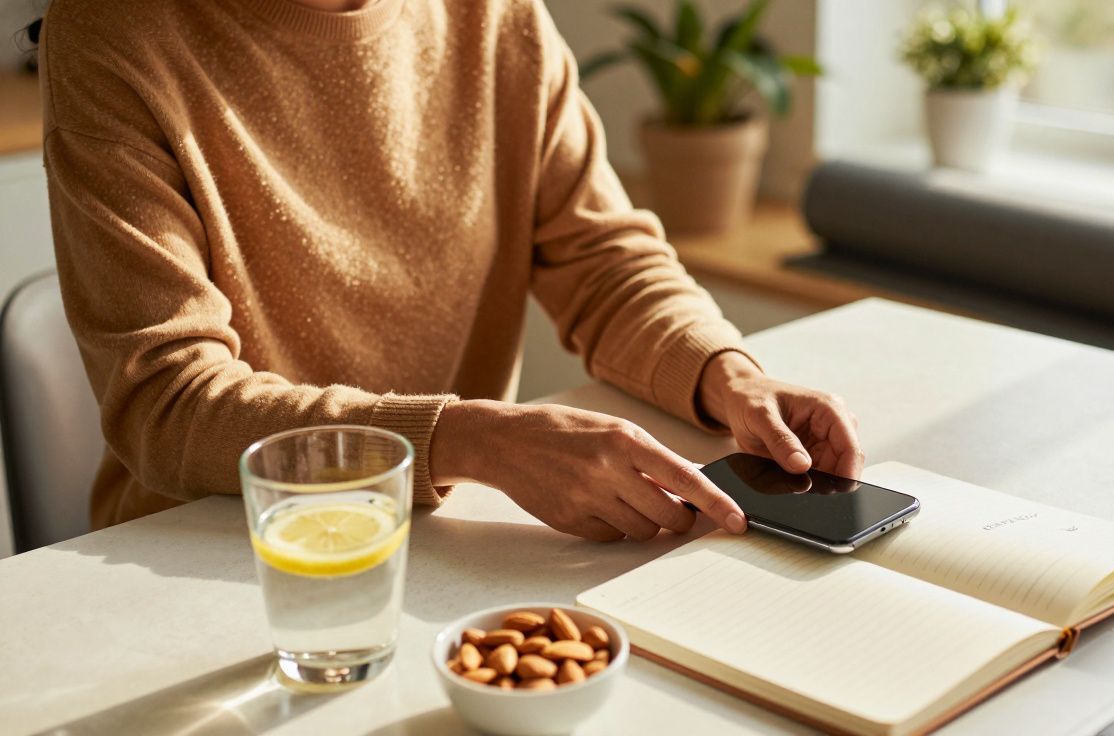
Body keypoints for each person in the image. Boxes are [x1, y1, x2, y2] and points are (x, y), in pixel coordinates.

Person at [36, 0, 864, 541]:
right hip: (216, 552)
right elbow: (168, 401)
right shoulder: (118, 35)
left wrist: (723, 373)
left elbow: (604, 258)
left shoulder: (497, 16)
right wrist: (472, 440)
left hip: (446, 538)